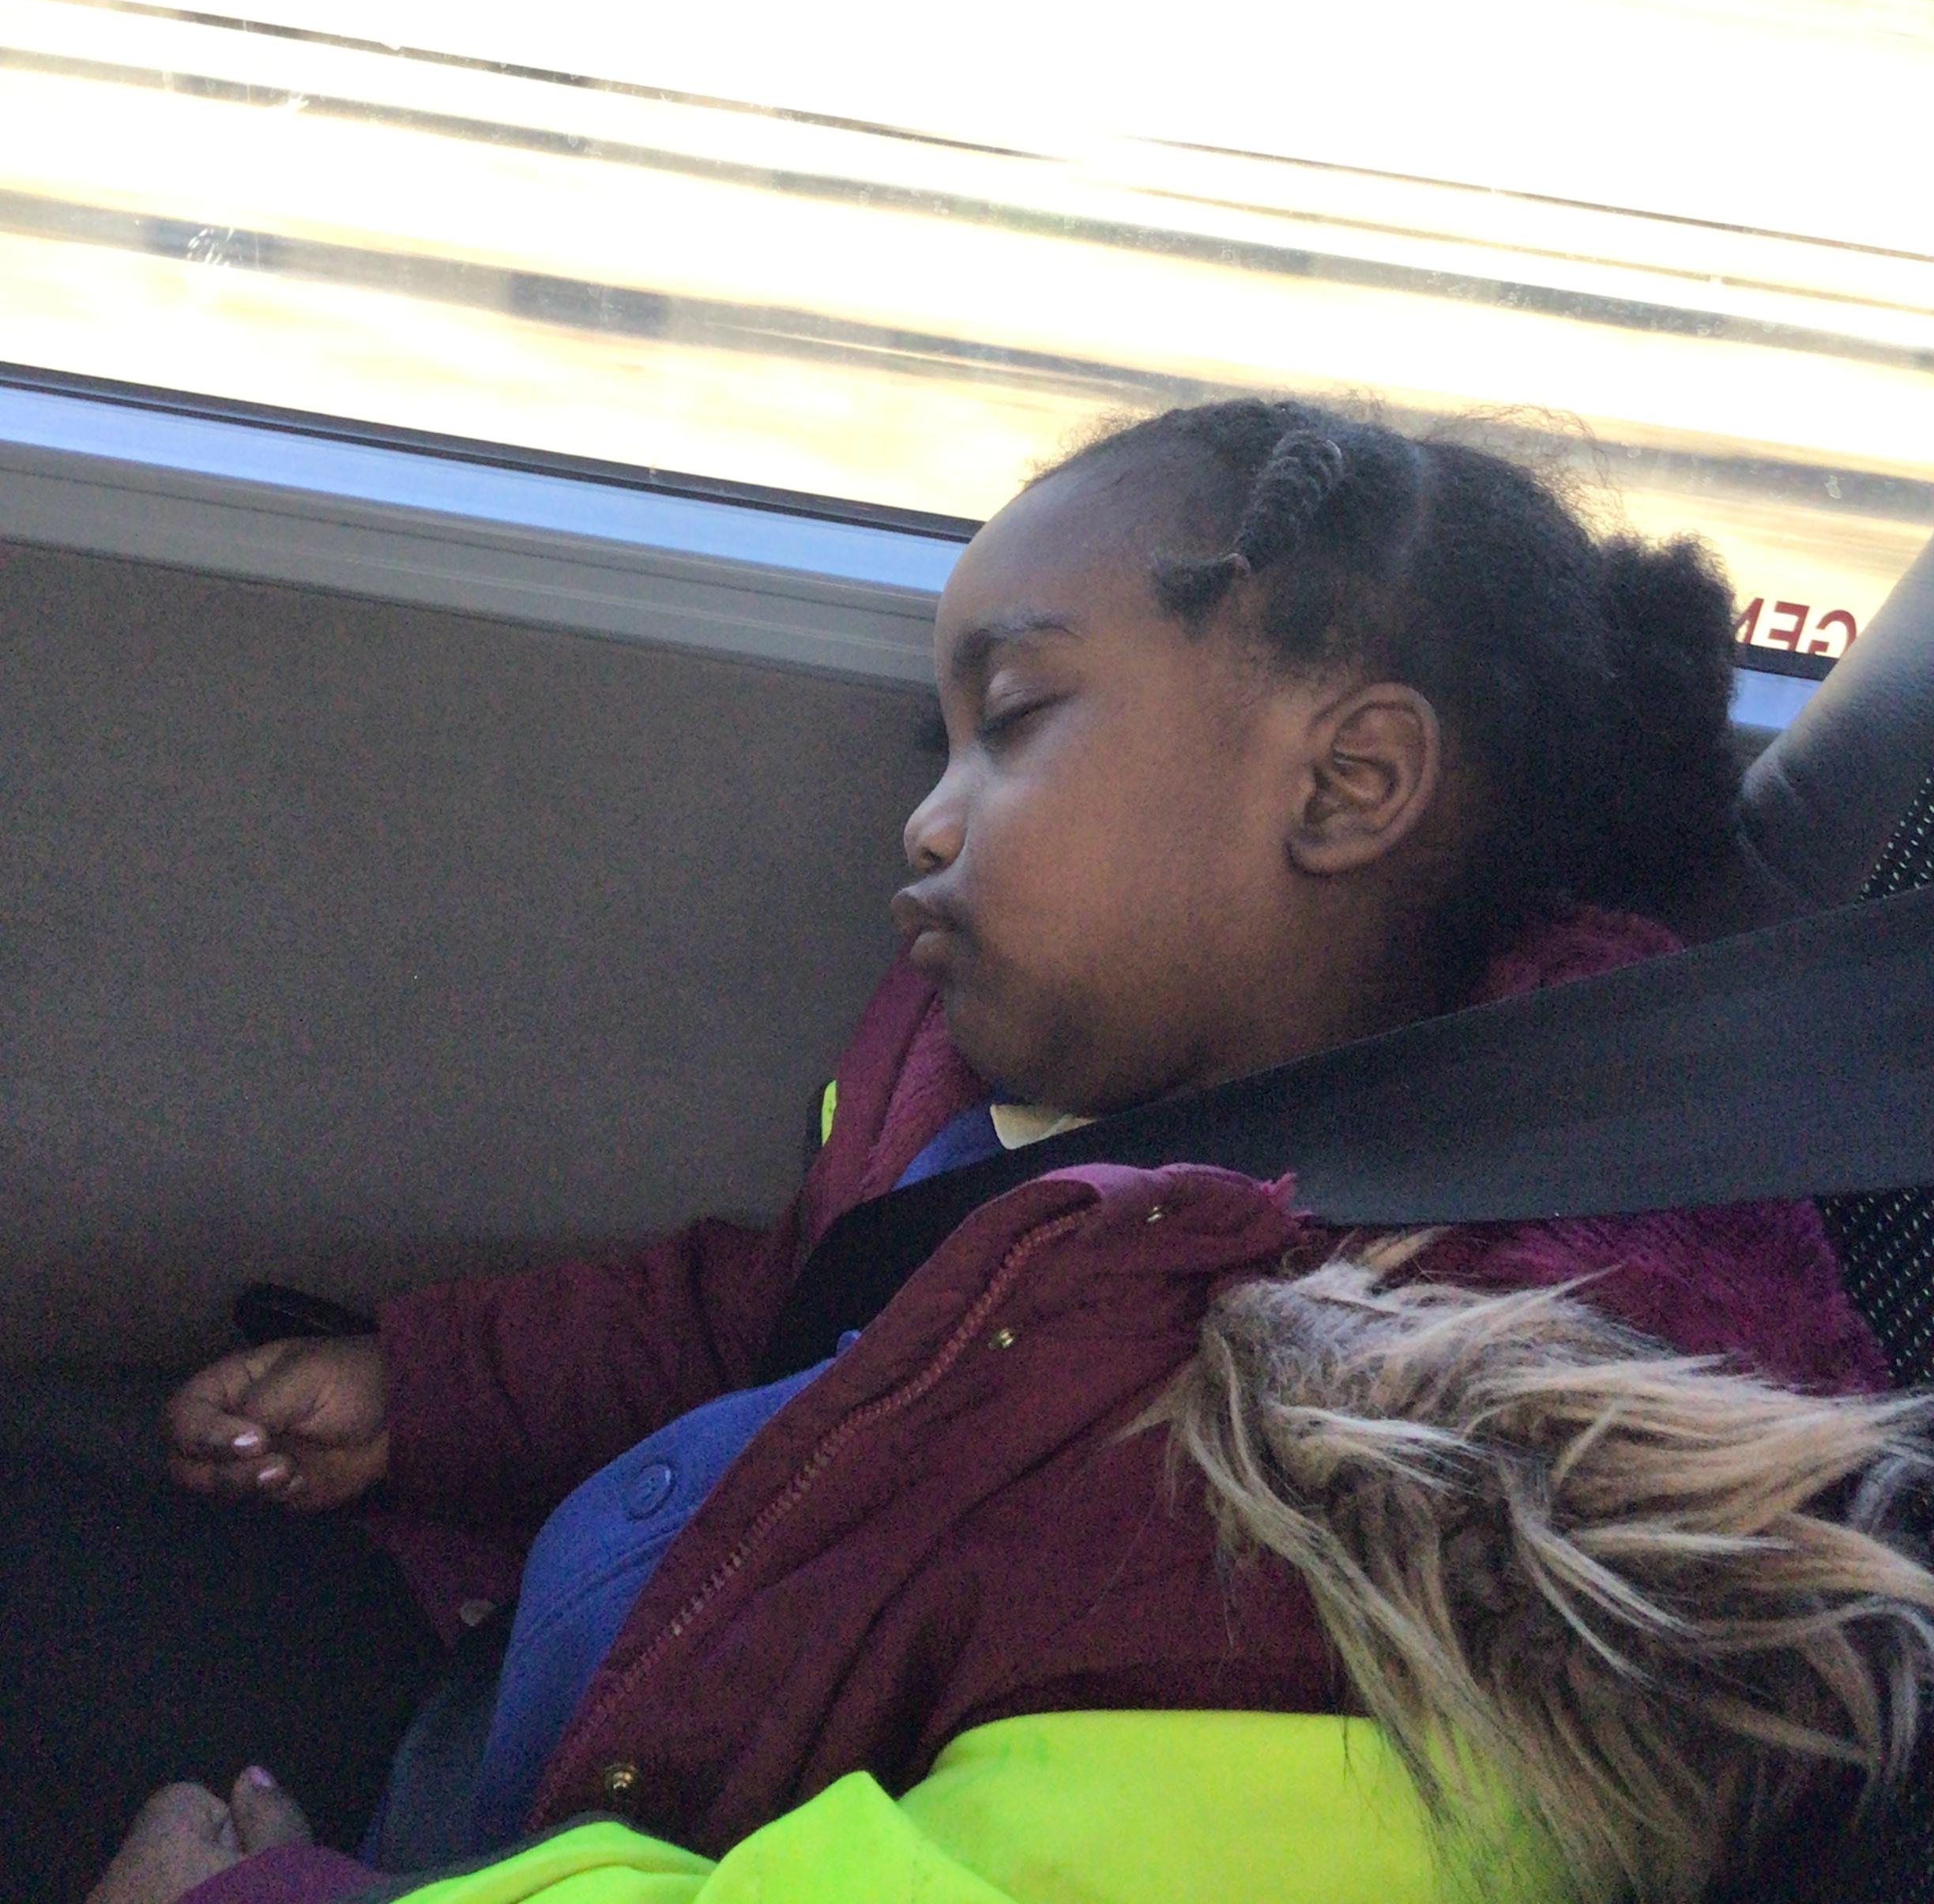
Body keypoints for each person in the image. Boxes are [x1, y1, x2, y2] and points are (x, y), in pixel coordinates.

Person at [50, 400, 1934, 1904]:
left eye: (1011, 725)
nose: (928, 827)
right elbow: (794, 1316)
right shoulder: (1040, 1091)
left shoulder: (1425, 1528)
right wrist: (441, 1391)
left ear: (1349, 782)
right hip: (596, 1668)